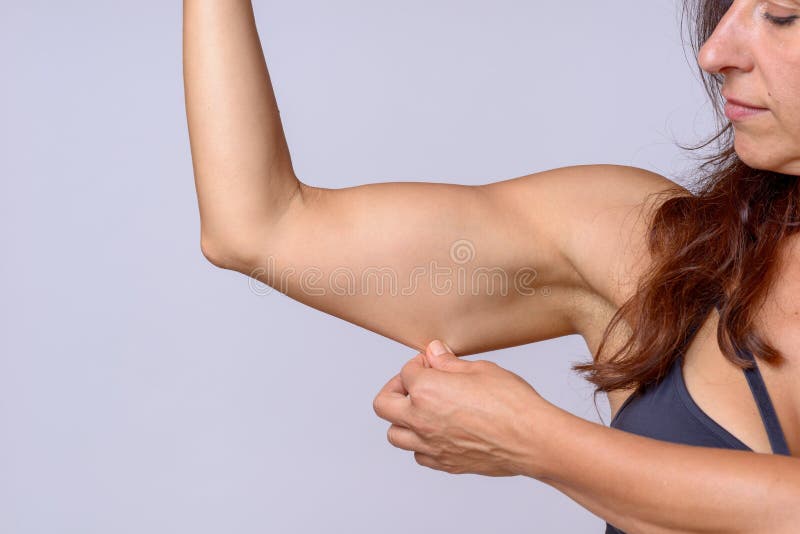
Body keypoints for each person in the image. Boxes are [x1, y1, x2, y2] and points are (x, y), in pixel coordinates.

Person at [182, 1, 800, 531]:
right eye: (728, 7)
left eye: (780, 15)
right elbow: (260, 228)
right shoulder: (663, 254)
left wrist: (533, 441)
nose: (715, 51)